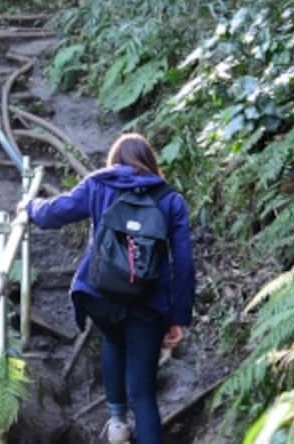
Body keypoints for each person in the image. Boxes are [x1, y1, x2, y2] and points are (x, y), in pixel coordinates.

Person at [18, 133, 195, 444]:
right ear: (151, 163)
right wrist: (178, 317)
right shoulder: (170, 200)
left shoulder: (99, 184)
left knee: (112, 338)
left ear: (115, 160)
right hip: (149, 303)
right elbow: (183, 264)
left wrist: (29, 206)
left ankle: (116, 423)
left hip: (101, 295)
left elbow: (55, 213)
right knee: (142, 393)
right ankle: (134, 425)